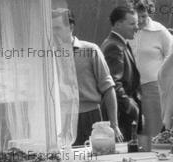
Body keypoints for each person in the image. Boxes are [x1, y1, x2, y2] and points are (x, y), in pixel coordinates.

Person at [52, 8, 123, 145]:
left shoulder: (90, 50)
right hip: (61, 119)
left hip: (90, 117)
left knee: (95, 160)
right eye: (51, 29)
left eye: (57, 28)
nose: (53, 33)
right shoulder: (48, 56)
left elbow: (108, 88)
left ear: (71, 27)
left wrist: (114, 125)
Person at [128, 0, 172, 148]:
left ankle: (155, 158)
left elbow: (171, 58)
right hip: (130, 90)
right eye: (137, 16)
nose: (140, 19)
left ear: (150, 13)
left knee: (153, 129)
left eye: (144, 16)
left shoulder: (161, 31)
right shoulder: (128, 30)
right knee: (135, 130)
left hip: (153, 87)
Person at [101, 5, 141, 141]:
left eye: (137, 23)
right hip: (121, 116)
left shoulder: (120, 43)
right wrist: (131, 107)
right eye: (132, 24)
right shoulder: (114, 46)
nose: (137, 27)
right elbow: (114, 84)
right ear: (118, 24)